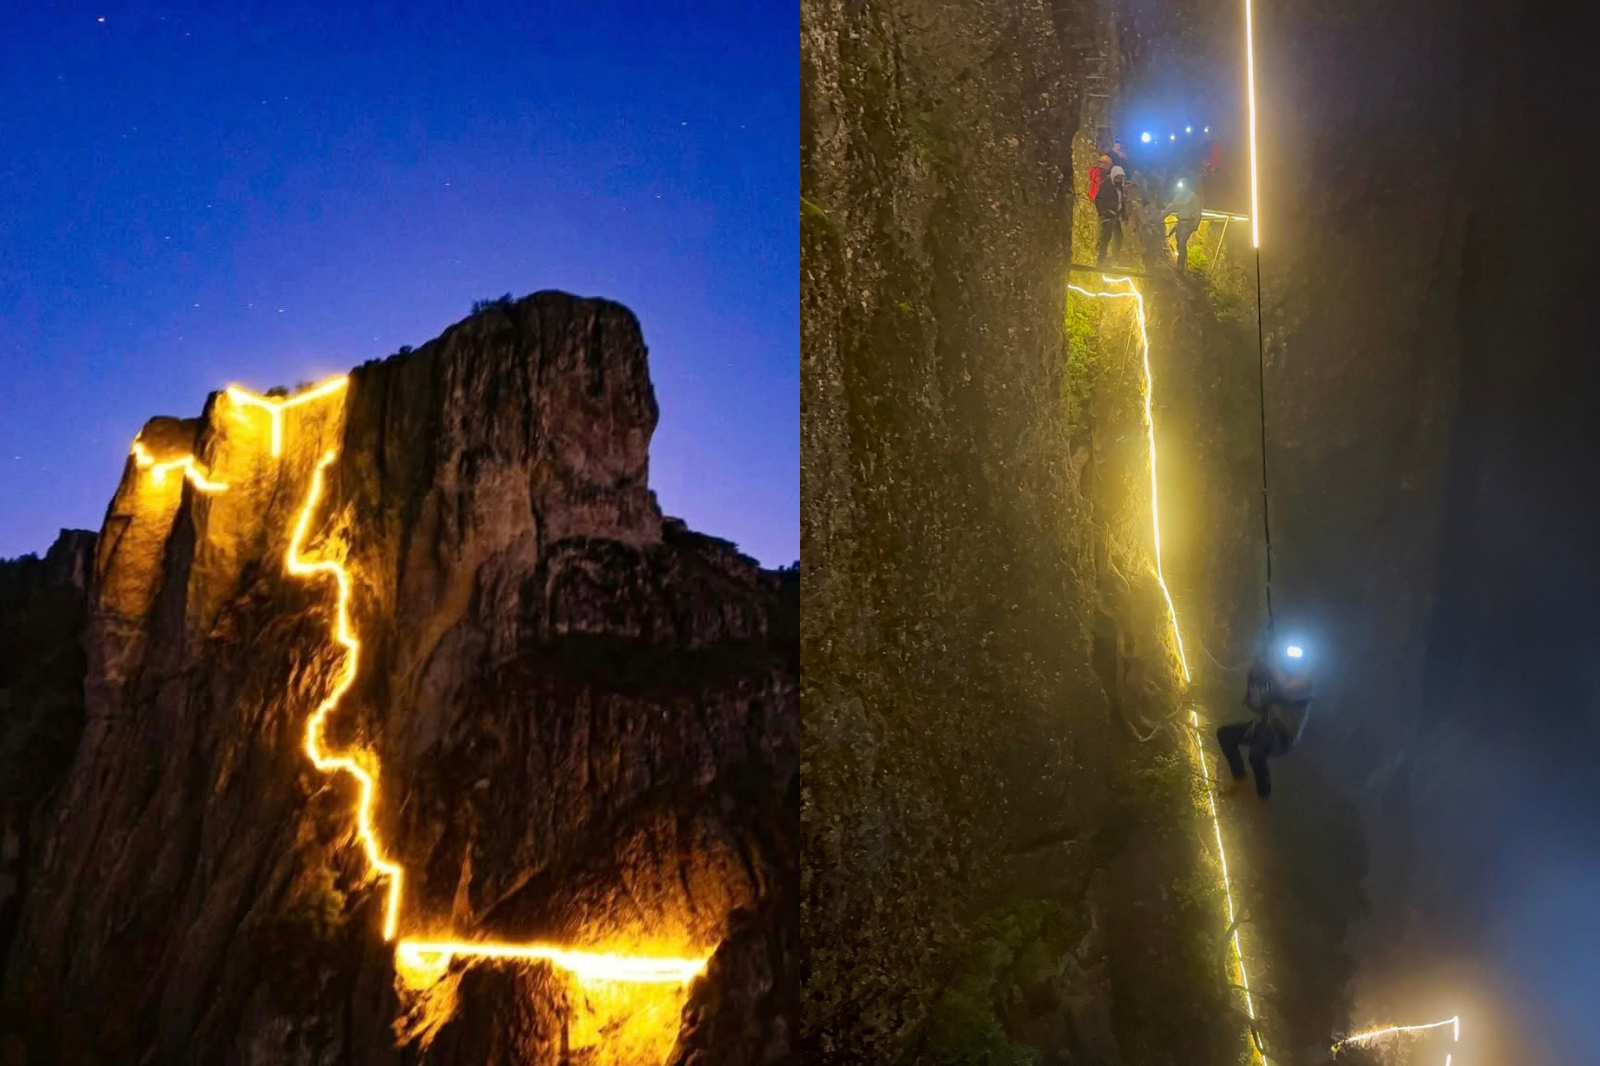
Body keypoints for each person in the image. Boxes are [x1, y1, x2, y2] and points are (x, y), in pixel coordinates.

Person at [1216, 640, 1313, 799]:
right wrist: (1254, 680)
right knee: (1225, 734)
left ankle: (1263, 796)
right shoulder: (1277, 682)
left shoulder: (1305, 685)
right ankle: (1240, 779)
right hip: (1263, 728)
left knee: (1256, 754)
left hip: (1282, 736)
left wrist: (1271, 663)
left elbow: (1287, 690)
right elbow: (1256, 705)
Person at [1163, 175, 1202, 273]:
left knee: (1181, 242)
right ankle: (1181, 262)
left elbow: (1198, 212)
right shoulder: (1179, 196)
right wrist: (1160, 217)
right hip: (1180, 223)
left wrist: (1195, 224)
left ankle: (1180, 266)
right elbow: (1171, 207)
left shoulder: (1193, 197)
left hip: (1188, 223)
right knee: (1179, 243)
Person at [1095, 166, 1128, 265]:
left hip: (1116, 216)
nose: (1119, 180)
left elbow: (1122, 202)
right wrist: (1104, 212)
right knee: (1105, 238)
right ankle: (1101, 261)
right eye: (1117, 177)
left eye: (1121, 178)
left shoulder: (1121, 188)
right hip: (1108, 216)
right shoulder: (1106, 186)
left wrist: (1124, 216)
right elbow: (1099, 200)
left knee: (1118, 238)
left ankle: (1115, 258)